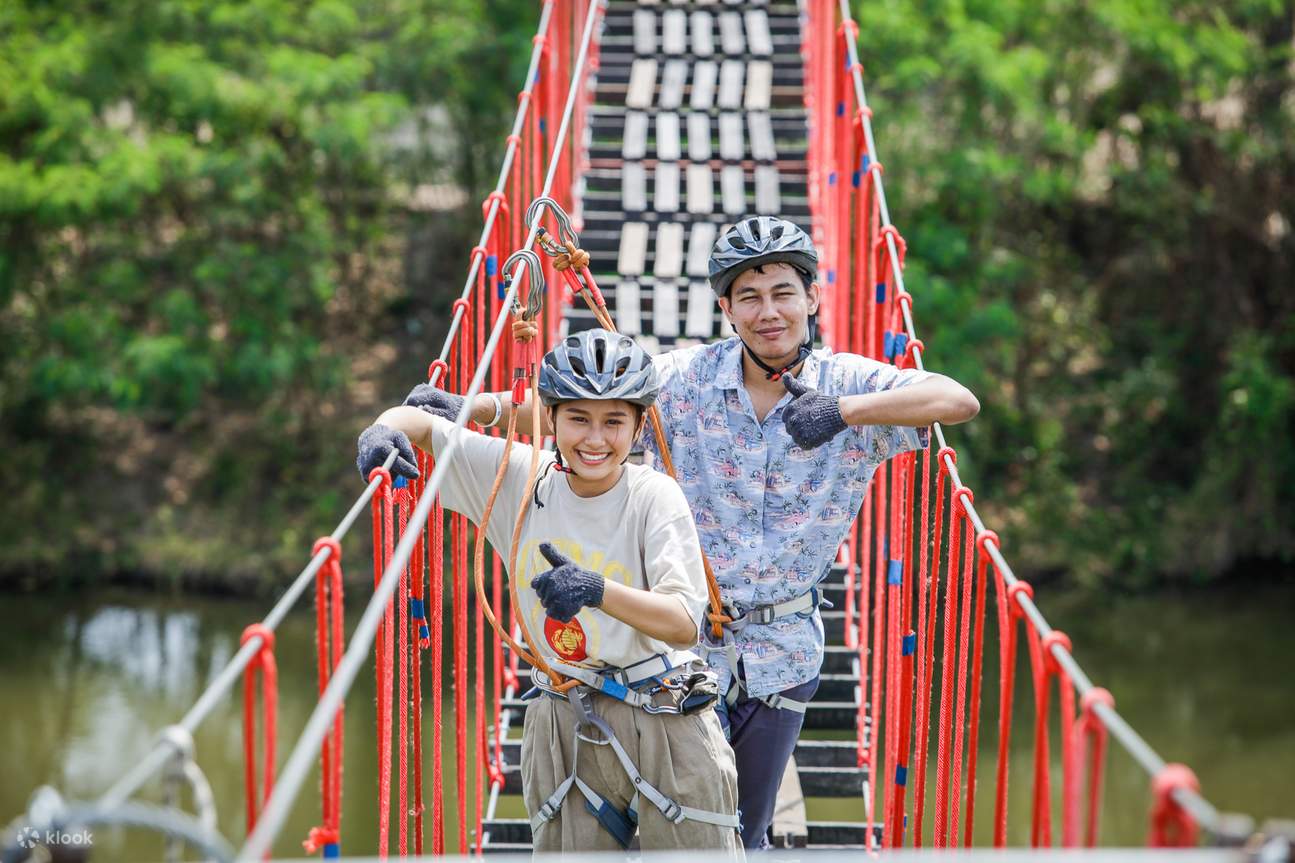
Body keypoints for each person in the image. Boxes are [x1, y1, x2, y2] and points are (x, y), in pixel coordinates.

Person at [408, 217, 980, 848]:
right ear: (726, 309)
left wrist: (843, 413)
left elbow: (956, 399)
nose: (769, 312)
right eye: (749, 298)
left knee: (745, 835)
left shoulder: (849, 383)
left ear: (812, 297)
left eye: (784, 293)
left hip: (782, 652)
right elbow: (590, 406)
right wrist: (474, 408)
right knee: (673, 831)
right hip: (675, 651)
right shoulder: (686, 380)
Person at [356, 328, 743, 854]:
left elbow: (682, 622)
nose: (595, 439)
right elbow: (421, 424)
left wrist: (596, 590)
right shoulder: (519, 478)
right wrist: (380, 431)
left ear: (638, 425)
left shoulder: (654, 495)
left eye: (614, 422)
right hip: (565, 711)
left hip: (662, 709)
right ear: (550, 419)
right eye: (578, 419)